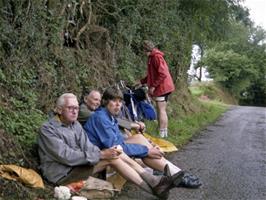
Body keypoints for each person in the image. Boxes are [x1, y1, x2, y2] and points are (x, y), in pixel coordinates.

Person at [37, 93, 181, 199]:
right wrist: (101, 155)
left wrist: (104, 152)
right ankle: (153, 184)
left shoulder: (75, 125)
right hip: (62, 174)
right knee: (112, 158)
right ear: (59, 109)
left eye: (76, 108)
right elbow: (66, 156)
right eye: (70, 108)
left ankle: (154, 183)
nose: (75, 111)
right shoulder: (48, 129)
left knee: (114, 153)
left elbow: (88, 146)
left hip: (79, 166)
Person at [84, 86, 202, 189]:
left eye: (120, 101)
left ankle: (177, 173)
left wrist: (148, 146)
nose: (118, 105)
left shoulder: (109, 116)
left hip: (111, 151)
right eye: (114, 101)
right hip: (99, 158)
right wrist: (147, 150)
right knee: (145, 152)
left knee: (140, 139)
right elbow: (117, 147)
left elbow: (119, 141)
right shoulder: (100, 118)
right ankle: (176, 174)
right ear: (105, 102)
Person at [138, 40, 175, 138]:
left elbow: (162, 74)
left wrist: (153, 86)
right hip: (163, 86)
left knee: (161, 110)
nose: (142, 52)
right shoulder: (152, 57)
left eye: (142, 50)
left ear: (145, 49)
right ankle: (163, 133)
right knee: (161, 110)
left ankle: (162, 134)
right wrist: (141, 81)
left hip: (163, 87)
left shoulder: (156, 57)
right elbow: (152, 75)